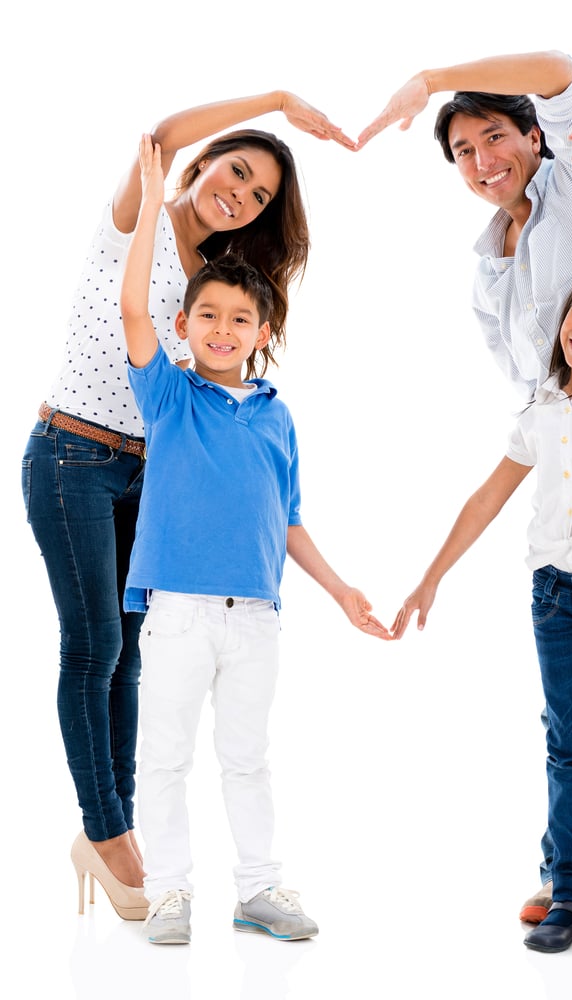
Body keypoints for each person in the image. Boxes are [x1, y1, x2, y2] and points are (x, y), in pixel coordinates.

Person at [358, 50, 572, 930]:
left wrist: (430, 80)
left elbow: (559, 68)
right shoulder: (488, 268)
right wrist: (434, 570)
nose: (483, 161)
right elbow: (534, 408)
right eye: (463, 151)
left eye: (494, 136)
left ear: (530, 136)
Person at [22, 89, 356, 920]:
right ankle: (105, 835)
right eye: (235, 171)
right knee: (93, 644)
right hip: (71, 452)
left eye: (259, 195)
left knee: (134, 655)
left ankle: (123, 827)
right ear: (204, 164)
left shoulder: (214, 282)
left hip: (146, 471)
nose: (240, 194)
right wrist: (278, 99)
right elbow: (161, 138)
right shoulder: (134, 223)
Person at [393, 124, 572, 957]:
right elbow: (486, 496)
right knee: (567, 748)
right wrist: (429, 578)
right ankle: (571, 894)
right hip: (553, 594)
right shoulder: (541, 406)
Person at [120, 134, 391, 945]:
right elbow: (134, 308)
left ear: (262, 330)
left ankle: (259, 889)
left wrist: (341, 589)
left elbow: (290, 519)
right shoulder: (169, 394)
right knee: (165, 756)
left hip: (256, 617)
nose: (223, 328)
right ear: (186, 324)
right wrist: (149, 203)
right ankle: (168, 892)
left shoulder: (275, 415)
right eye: (208, 315)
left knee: (247, 758)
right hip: (177, 611)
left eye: (241, 318)